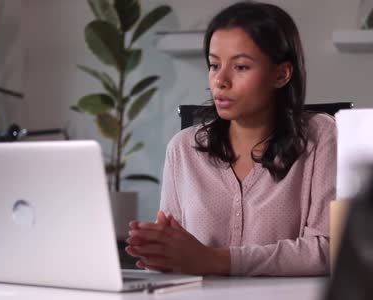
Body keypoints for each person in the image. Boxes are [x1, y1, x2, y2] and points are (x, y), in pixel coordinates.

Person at [125, 1, 336, 276]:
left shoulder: (321, 136)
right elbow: (174, 257)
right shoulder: (183, 149)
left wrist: (216, 260)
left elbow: (328, 249)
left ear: (281, 74)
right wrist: (158, 252)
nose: (220, 80)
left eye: (241, 67)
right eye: (214, 65)